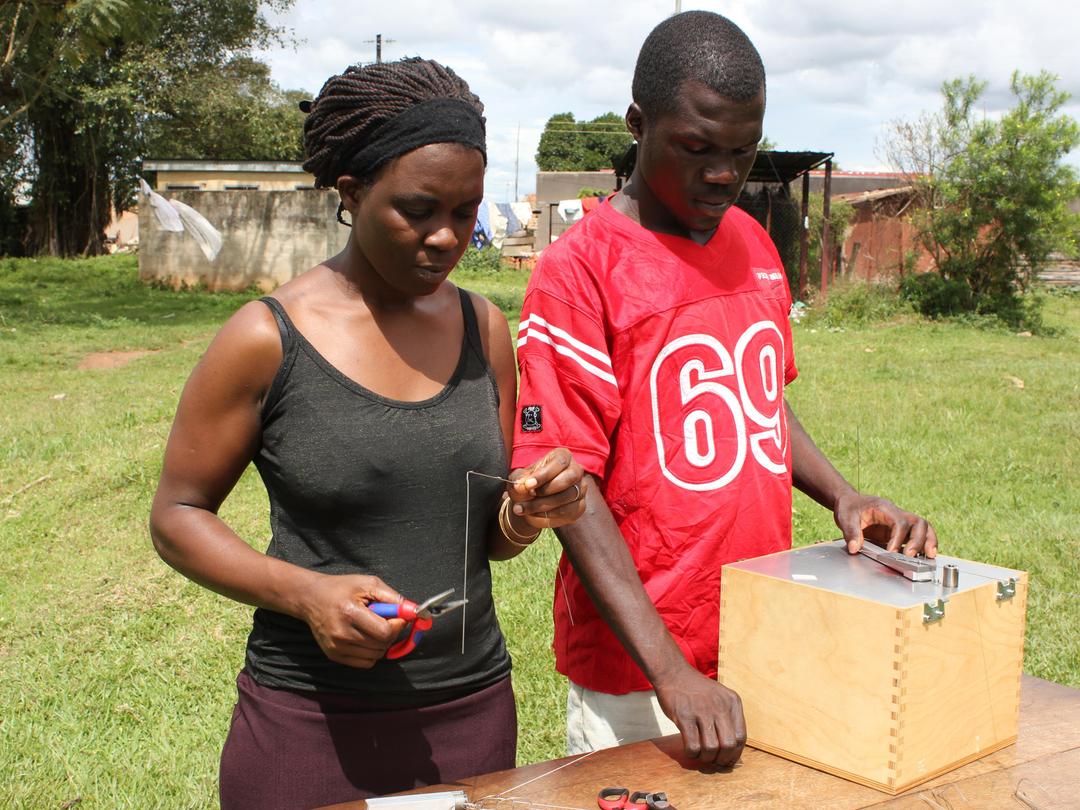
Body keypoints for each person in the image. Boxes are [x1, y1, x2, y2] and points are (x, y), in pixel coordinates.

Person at [149, 57, 586, 809]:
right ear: (351, 194)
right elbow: (176, 516)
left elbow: (489, 536)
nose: (448, 237)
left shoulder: (485, 328)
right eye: (418, 210)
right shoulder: (266, 338)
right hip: (311, 727)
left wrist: (527, 512)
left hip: (471, 716)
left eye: (466, 210)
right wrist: (308, 594)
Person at [511, 11, 938, 770]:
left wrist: (842, 495)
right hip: (644, 673)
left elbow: (759, 394)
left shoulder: (752, 243)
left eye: (742, 152)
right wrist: (671, 671)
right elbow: (571, 489)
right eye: (697, 148)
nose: (722, 174)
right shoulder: (579, 274)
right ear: (638, 123)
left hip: (760, 634)